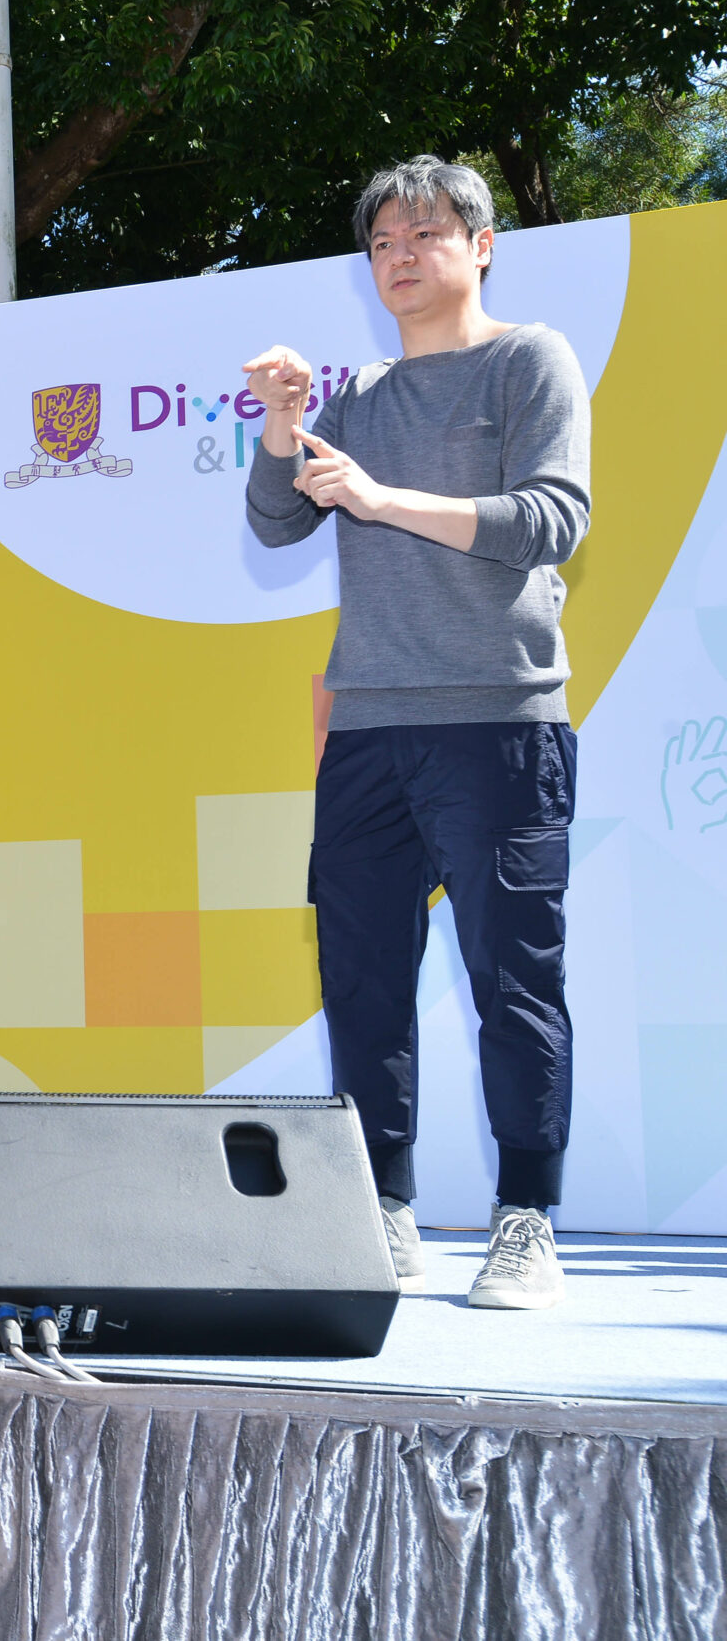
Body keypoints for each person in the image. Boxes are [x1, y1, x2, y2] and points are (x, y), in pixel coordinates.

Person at [243, 156, 589, 1311]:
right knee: (364, 983)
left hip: (496, 719)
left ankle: (525, 1221)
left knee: (513, 985)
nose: (400, 253)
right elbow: (277, 520)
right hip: (368, 729)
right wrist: (286, 426)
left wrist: (384, 500)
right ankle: (379, 1208)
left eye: (425, 233)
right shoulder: (359, 398)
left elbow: (548, 519)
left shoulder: (527, 360)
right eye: (382, 240)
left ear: (480, 244)